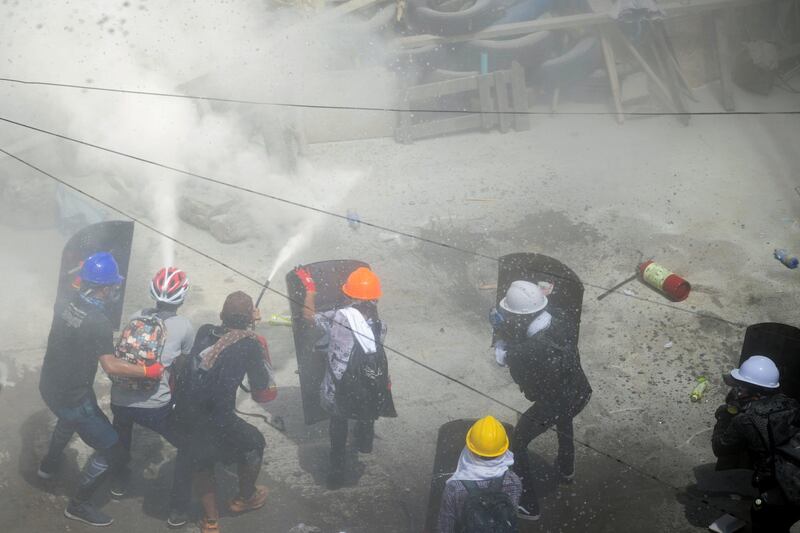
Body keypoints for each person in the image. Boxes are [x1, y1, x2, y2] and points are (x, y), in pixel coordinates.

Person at [38, 252, 165, 526]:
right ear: (105, 287)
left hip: (49, 384)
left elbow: (74, 285)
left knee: (66, 418)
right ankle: (79, 505)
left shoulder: (65, 301)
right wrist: (148, 370)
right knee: (112, 449)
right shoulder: (98, 322)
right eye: (114, 286)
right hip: (73, 395)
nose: (115, 291)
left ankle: (48, 466)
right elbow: (110, 366)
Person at [174, 291, 276, 533]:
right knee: (255, 443)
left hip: (188, 413)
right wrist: (254, 334)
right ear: (251, 316)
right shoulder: (251, 344)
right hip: (219, 416)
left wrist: (248, 326)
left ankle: (211, 521)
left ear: (221, 315)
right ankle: (245, 497)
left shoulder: (204, 330)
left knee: (203, 461)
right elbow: (261, 386)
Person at [490, 280, 591, 521]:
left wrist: (502, 338)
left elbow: (508, 361)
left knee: (518, 443)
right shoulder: (560, 318)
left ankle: (527, 503)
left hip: (555, 402)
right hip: (580, 390)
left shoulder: (525, 352)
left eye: (512, 315)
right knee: (565, 421)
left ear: (522, 317)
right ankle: (566, 468)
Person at [108, 267, 194, 528]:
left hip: (120, 398)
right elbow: (183, 365)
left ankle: (119, 482)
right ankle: (178, 509)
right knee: (189, 447)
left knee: (122, 433)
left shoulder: (136, 316)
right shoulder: (184, 326)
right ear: (181, 297)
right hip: (155, 406)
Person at [295, 266, 396, 489]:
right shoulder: (380, 325)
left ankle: (337, 471)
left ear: (348, 294)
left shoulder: (339, 318)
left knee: (338, 423)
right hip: (369, 383)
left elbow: (309, 317)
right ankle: (365, 442)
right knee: (364, 407)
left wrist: (310, 290)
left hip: (340, 387)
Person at [712, 355, 800, 532]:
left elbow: (720, 447)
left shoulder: (745, 421)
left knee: (762, 516)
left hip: (787, 488)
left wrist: (725, 416)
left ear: (747, 390)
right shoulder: (790, 403)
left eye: (740, 386)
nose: (737, 389)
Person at [438, 416, 522, 533]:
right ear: (503, 451)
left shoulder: (455, 487)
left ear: (470, 449)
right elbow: (510, 519)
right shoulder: (513, 481)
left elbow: (445, 526)